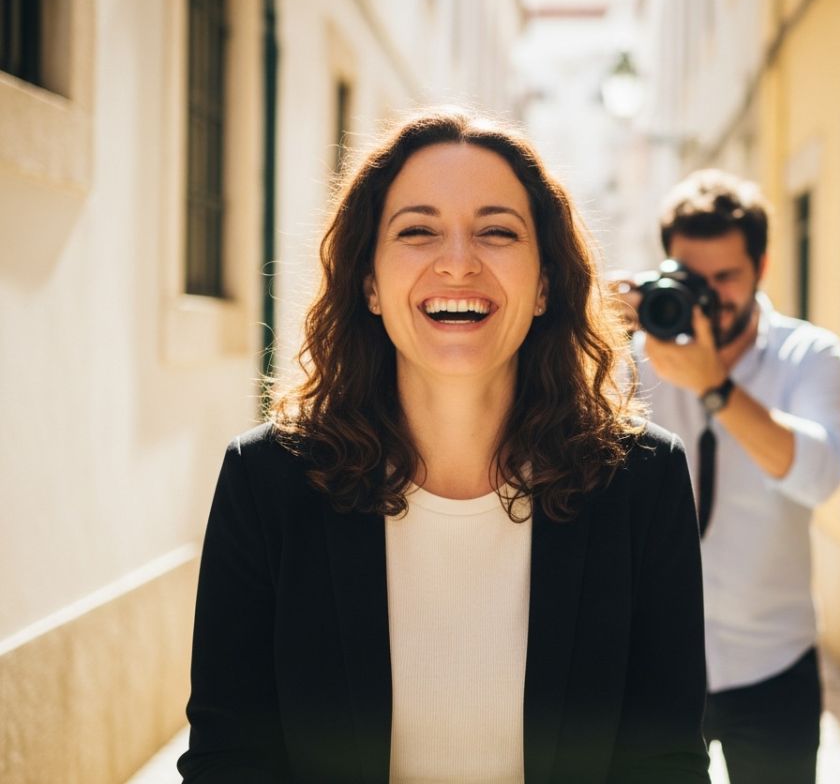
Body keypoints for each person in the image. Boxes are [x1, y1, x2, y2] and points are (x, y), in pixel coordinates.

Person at [178, 107, 709, 784]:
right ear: (369, 282)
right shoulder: (266, 480)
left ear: (545, 283)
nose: (457, 264)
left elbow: (665, 764)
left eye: (496, 232)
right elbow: (229, 761)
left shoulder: (641, 480)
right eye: (418, 231)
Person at [619, 170, 840, 784]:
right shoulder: (634, 356)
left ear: (762, 266)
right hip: (656, 662)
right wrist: (587, 331)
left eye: (728, 277)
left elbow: (819, 476)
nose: (712, 295)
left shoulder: (811, 356)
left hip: (773, 662)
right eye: (696, 279)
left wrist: (715, 386)